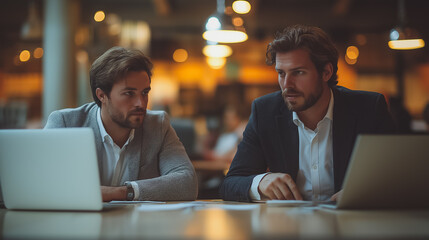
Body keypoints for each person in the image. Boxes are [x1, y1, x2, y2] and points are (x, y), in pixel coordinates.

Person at [220, 25, 395, 202]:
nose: (287, 84)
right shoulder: (264, 111)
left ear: (326, 72)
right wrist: (260, 182)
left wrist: (363, 193)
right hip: (289, 226)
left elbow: (398, 175)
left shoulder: (369, 109)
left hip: (354, 223)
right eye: (281, 73)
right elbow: (231, 183)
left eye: (299, 72)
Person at [44, 47, 198, 201]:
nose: (141, 103)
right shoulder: (66, 124)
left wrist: (121, 192)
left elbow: (187, 182)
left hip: (139, 224)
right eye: (129, 93)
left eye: (144, 93)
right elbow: (42, 182)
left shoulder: (158, 125)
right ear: (102, 95)